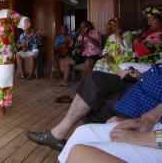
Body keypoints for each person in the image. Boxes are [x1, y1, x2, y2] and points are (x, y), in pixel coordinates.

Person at [26, 8, 162, 152]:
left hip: (143, 81)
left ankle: (60, 135)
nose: (148, 22)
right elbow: (105, 52)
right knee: (94, 77)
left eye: (152, 19)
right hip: (142, 76)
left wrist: (149, 121)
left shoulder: (133, 36)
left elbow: (132, 50)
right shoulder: (142, 36)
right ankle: (58, 132)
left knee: (92, 72)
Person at [59, 102, 162, 163]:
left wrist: (141, 138)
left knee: (80, 154)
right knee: (83, 132)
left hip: (158, 139)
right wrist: (149, 119)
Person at [57, 21, 101, 86]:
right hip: (83, 54)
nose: (82, 28)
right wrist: (77, 45)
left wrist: (87, 36)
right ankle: (65, 81)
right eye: (81, 27)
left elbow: (97, 44)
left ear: (89, 26)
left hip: (94, 54)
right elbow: (76, 46)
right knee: (67, 61)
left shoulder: (96, 32)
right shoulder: (81, 34)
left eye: (84, 27)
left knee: (88, 62)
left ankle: (86, 83)